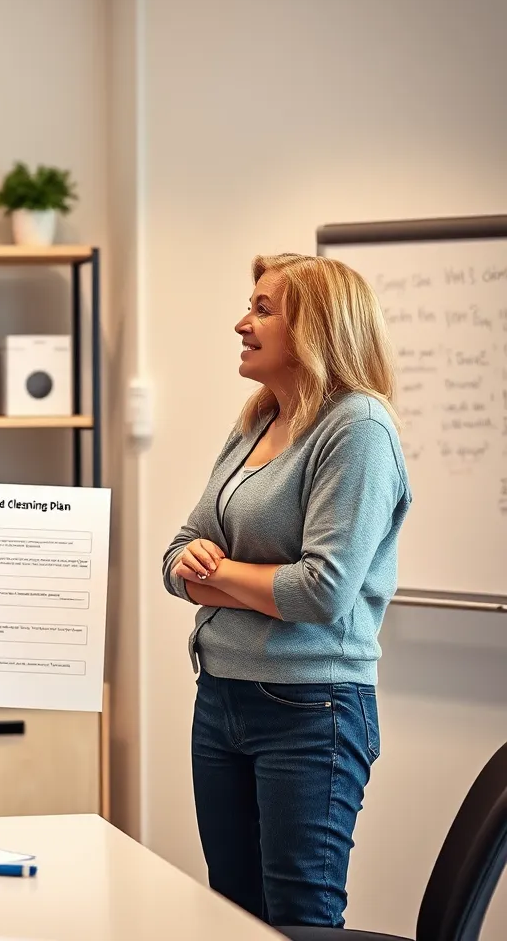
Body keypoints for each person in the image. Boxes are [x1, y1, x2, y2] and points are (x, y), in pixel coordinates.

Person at [161, 252, 412, 930]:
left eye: (262, 309)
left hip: (310, 707)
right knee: (234, 916)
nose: (241, 322)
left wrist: (212, 576)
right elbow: (175, 554)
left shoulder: (358, 427)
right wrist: (208, 573)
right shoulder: (257, 420)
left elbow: (320, 593)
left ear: (318, 328)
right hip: (220, 696)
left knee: (300, 919)